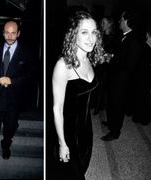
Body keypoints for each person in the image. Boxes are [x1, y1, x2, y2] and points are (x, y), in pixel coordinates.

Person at [51, 10, 105, 179]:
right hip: (67, 131)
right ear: (73, 34)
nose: (91, 38)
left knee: (83, 165)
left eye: (94, 32)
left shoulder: (90, 58)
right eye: (84, 32)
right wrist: (62, 144)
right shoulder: (63, 65)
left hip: (86, 127)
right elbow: (57, 109)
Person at [0, 20, 33, 180]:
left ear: (18, 33)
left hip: (14, 100)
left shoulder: (26, 51)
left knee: (10, 127)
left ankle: (6, 142)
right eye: (7, 32)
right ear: (3, 32)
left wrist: (13, 80)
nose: (10, 36)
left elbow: (31, 76)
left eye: (13, 33)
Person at [101, 10, 143, 141]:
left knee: (117, 104)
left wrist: (111, 60)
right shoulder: (122, 36)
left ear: (127, 21)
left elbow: (129, 64)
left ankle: (115, 131)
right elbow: (118, 53)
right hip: (115, 76)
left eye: (121, 19)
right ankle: (112, 122)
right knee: (112, 102)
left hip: (122, 80)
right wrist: (111, 55)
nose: (119, 21)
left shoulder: (134, 40)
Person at [92, 16, 119, 114]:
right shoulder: (101, 35)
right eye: (101, 23)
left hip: (108, 66)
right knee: (96, 84)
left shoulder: (115, 37)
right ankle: (95, 104)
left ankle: (98, 107)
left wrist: (106, 55)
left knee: (102, 86)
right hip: (99, 64)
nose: (101, 25)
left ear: (109, 24)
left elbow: (115, 52)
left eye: (103, 23)